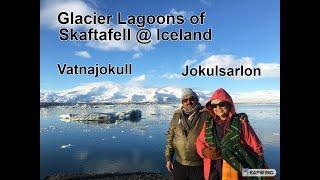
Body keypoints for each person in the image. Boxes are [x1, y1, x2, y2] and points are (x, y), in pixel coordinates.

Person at [196, 88, 270, 180]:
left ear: (229, 104)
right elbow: (199, 142)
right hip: (213, 169)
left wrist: (259, 165)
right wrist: (204, 152)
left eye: (221, 104)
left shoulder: (240, 122)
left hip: (236, 169)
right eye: (214, 105)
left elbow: (255, 145)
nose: (218, 108)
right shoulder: (208, 123)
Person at [165, 88, 210, 180]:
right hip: (179, 163)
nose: (188, 102)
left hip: (199, 164)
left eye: (192, 99)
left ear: (196, 100)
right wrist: (169, 158)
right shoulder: (177, 115)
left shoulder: (206, 114)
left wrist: (239, 117)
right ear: (182, 102)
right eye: (185, 100)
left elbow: (222, 118)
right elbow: (170, 138)